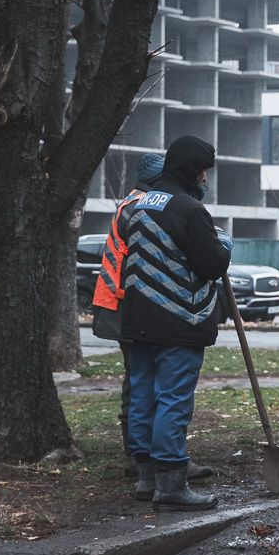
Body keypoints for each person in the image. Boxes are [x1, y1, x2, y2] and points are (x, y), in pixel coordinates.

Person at [120, 135, 232, 509]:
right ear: (192, 171)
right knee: (173, 399)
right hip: (179, 318)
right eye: (203, 171)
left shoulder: (139, 206)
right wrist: (223, 245)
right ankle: (170, 485)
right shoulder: (188, 209)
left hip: (139, 319)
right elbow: (212, 264)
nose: (205, 178)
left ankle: (147, 478)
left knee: (144, 395)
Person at [91, 153, 213, 493]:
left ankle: (150, 463)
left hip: (134, 301)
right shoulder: (140, 206)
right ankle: (148, 460)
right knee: (144, 384)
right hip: (127, 302)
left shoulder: (139, 202)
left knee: (144, 382)